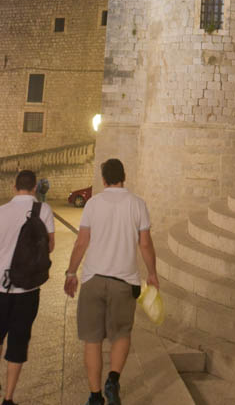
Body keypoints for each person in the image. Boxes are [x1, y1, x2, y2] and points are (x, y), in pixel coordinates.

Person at [64, 158, 159, 405]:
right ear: (123, 177)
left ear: (104, 179)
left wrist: (71, 273)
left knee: (92, 339)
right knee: (121, 334)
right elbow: (145, 243)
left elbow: (82, 241)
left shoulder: (93, 204)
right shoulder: (138, 204)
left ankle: (95, 397)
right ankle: (113, 380)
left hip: (94, 279)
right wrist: (152, 273)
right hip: (124, 281)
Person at [0, 170, 55, 405]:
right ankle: (8, 397)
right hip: (28, 290)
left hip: (0, 288)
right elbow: (50, 247)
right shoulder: (44, 210)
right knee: (18, 342)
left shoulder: (1, 212)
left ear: (14, 187)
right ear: (35, 188)